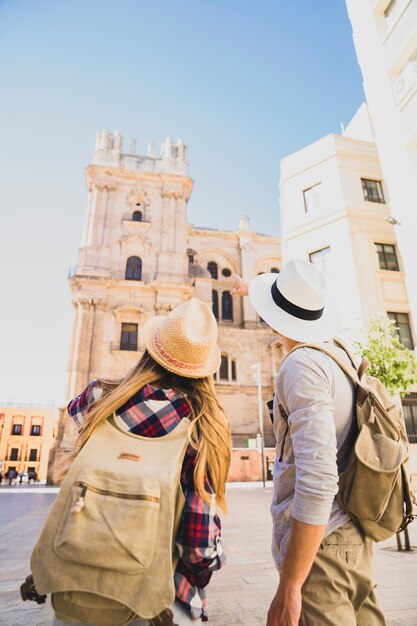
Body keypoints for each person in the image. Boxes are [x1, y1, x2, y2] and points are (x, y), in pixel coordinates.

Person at [53, 298, 231, 626]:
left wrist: (128, 387)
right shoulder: (202, 427)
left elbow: (73, 408)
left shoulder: (97, 399)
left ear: (150, 350)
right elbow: (199, 546)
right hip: (159, 601)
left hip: (80, 587)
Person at [231, 259, 386, 626]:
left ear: (274, 318)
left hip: (324, 550)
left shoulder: (300, 366)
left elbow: (317, 477)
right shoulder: (338, 356)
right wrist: (249, 286)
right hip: (353, 539)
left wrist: (290, 587)